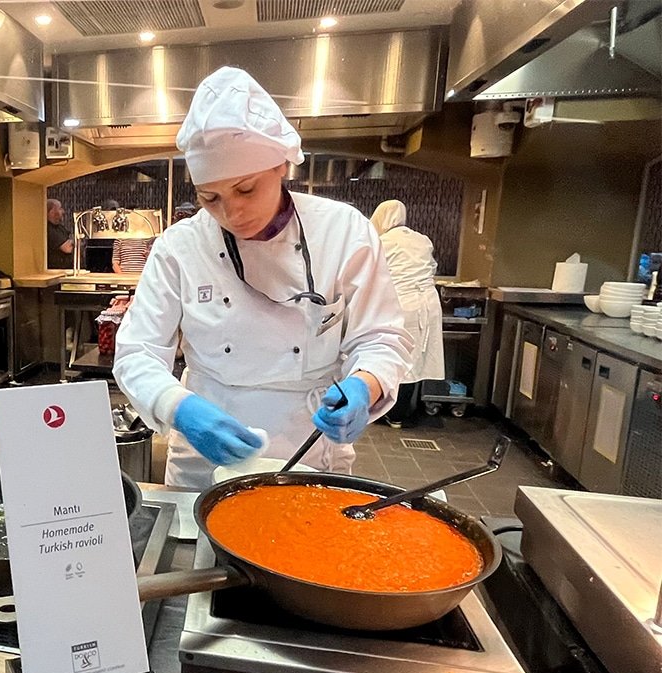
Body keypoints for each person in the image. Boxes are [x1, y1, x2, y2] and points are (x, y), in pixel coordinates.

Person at [113, 67, 412, 488]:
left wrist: (366, 386)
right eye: (209, 197)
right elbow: (136, 352)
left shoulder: (345, 231)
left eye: (246, 189)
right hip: (204, 462)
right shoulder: (180, 247)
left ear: (280, 166)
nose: (231, 213)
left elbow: (380, 337)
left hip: (309, 448)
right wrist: (178, 407)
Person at [370, 200, 445, 428]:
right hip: (428, 304)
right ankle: (401, 413)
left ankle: (391, 412)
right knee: (415, 359)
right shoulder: (422, 239)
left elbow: (371, 273)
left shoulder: (383, 241)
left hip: (401, 304)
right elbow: (431, 268)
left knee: (395, 357)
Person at [46, 199, 74, 269]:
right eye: (60, 208)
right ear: (52, 212)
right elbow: (67, 248)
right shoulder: (47, 229)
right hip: (56, 270)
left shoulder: (59, 227)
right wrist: (75, 240)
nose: (63, 211)